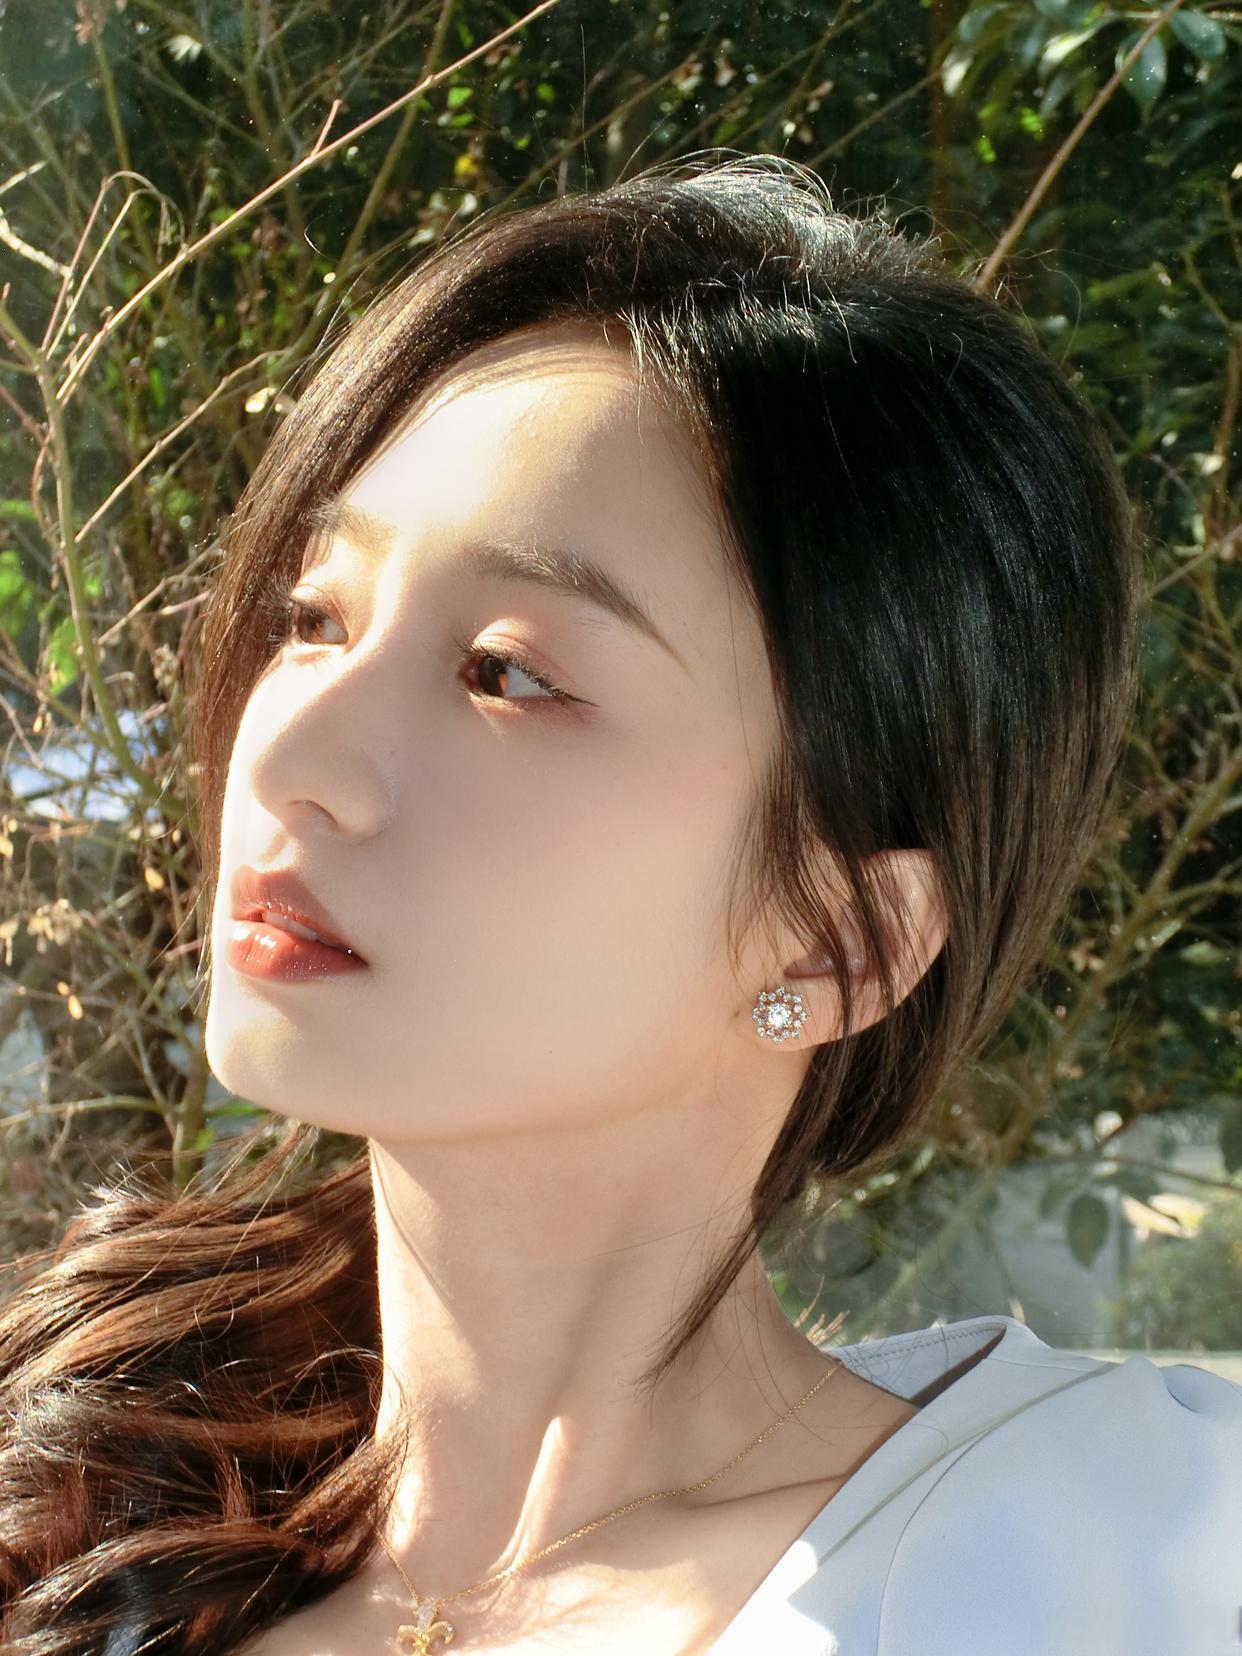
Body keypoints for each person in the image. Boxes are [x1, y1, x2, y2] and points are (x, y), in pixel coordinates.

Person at [2, 152, 1238, 1656]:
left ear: (839, 941)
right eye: (315, 617)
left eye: (510, 673)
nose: (293, 758)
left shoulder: (1121, 1557)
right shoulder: (79, 1539)